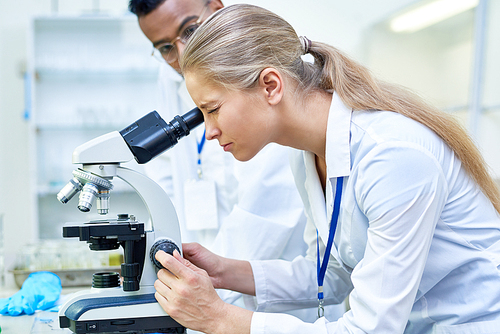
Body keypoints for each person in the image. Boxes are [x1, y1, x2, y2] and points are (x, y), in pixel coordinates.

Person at [151, 3, 500, 334]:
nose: (209, 131)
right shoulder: (307, 155)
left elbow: (370, 329)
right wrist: (222, 271)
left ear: (270, 86)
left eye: (212, 109)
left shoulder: (390, 156)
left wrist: (221, 318)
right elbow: (332, 275)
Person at [128, 0, 346, 323]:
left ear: (216, 8)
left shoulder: (299, 135)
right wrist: (207, 273)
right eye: (164, 48)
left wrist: (212, 308)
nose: (182, 53)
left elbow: (266, 212)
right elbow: (334, 275)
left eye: (189, 30)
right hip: (235, 289)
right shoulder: (307, 158)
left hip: (284, 306)